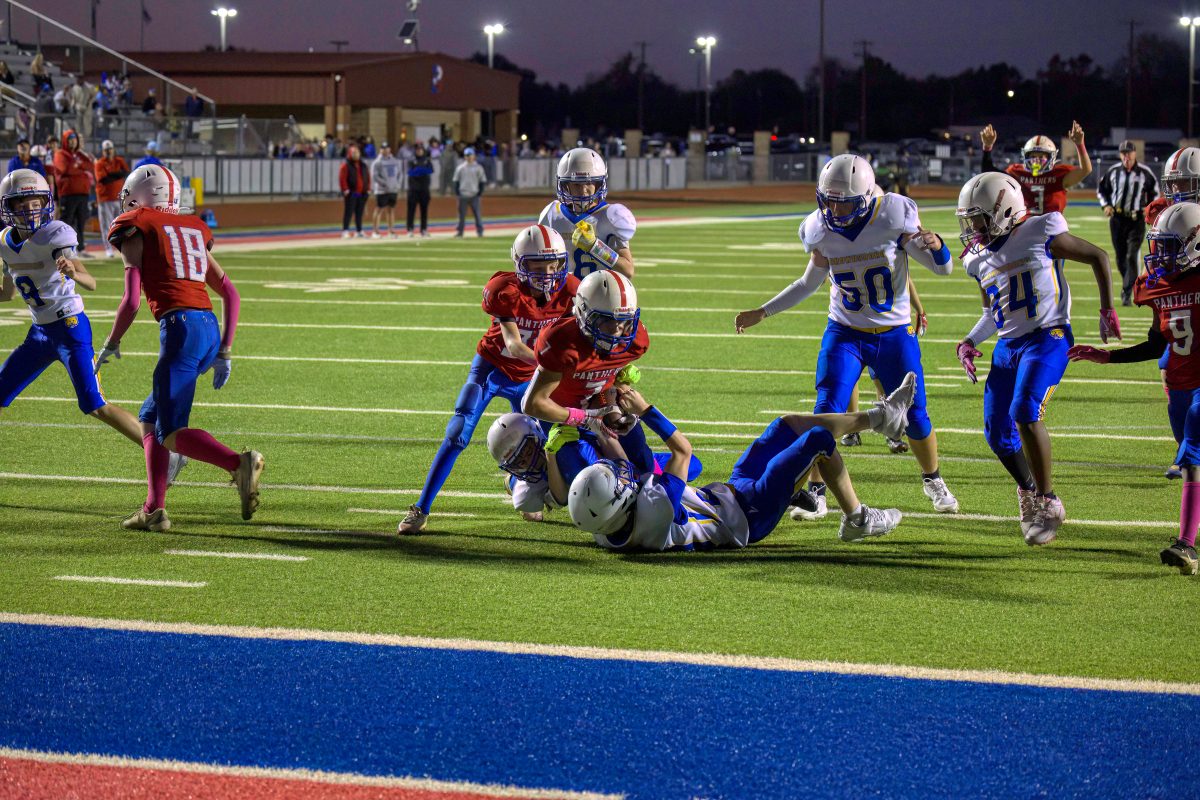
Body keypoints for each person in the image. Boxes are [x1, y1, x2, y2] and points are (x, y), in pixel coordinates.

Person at [734, 153, 959, 519]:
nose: (835, 211)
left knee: (915, 415)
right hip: (844, 333)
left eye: (845, 203)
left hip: (894, 333)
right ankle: (816, 492)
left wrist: (939, 246)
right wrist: (763, 311)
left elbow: (943, 269)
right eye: (829, 201)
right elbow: (808, 283)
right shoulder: (818, 228)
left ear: (867, 197)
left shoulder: (893, 215)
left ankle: (933, 478)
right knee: (825, 413)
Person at [95, 164, 262, 531]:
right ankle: (154, 509)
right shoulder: (191, 227)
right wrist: (225, 350)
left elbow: (131, 302)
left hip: (180, 329)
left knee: (170, 432)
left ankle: (238, 463)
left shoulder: (136, 225)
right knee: (150, 417)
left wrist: (111, 342)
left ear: (138, 195)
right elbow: (231, 293)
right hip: (208, 329)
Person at [955, 172, 1119, 545]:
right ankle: (1028, 491)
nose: (973, 229)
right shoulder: (976, 259)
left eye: (979, 219)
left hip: (1048, 336)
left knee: (1026, 411)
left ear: (1004, 210)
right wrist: (969, 340)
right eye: (970, 221)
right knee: (997, 432)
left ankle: (1049, 501)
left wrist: (1107, 308)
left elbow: (1097, 255)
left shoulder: (1040, 230)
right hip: (1008, 346)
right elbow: (992, 314)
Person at [566, 376, 915, 551]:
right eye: (618, 482)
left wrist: (598, 418)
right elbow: (682, 451)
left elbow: (627, 463)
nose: (621, 475)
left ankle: (881, 418)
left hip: (730, 493)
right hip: (750, 515)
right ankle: (858, 519)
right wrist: (644, 411)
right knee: (817, 440)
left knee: (785, 426)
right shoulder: (654, 510)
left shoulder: (606, 524)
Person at [0, 169, 184, 483]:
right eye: (22, 204)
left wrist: (74, 272)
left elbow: (91, 282)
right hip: (39, 333)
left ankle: (168, 453)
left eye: (35, 203)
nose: (30, 210)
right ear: (9, 207)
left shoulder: (54, 234)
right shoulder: (5, 242)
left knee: (94, 405)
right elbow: (7, 293)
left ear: (45, 203)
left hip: (69, 329)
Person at [398, 225, 580, 534]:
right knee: (457, 432)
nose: (548, 274)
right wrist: (551, 365)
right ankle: (421, 508)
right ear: (520, 264)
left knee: (553, 440)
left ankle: (520, 485)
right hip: (493, 368)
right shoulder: (504, 290)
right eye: (538, 266)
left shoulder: (570, 291)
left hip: (531, 378)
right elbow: (513, 345)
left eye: (553, 265)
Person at [1069, 202, 1200, 574]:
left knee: (1192, 452)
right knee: (1192, 462)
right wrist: (1107, 357)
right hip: (1179, 386)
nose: (1160, 255)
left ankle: (1186, 546)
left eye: (1170, 247)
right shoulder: (1156, 285)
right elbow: (1157, 345)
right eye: (1158, 246)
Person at [522, 269, 658, 488]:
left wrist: (619, 387)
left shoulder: (635, 340)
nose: (617, 331)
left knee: (644, 465)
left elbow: (606, 370)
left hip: (602, 403)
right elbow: (532, 403)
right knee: (581, 481)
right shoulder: (562, 342)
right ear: (583, 313)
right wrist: (584, 418)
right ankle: (523, 479)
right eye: (607, 321)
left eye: (624, 321)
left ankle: (653, 462)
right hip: (561, 415)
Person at [537, 147, 636, 280]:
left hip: (601, 291)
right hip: (565, 292)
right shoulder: (551, 214)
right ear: (565, 185)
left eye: (589, 183)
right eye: (576, 184)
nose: (583, 190)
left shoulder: (611, 216)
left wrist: (595, 247)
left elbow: (627, 270)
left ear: (599, 184)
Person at [979, 122, 1092, 215]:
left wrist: (1080, 145)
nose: (1036, 160)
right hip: (1026, 225)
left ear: (1051, 157)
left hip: (1052, 226)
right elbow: (988, 174)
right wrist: (987, 148)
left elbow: (1085, 170)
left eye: (1041, 156)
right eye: (1033, 156)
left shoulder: (1058, 174)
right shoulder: (1017, 172)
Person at [1098, 140, 1160, 306]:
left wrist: (1150, 209)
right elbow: (1102, 190)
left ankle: (1126, 292)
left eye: (1129, 152)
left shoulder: (1144, 172)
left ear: (1134, 154)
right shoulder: (1113, 171)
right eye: (1123, 153)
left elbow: (1155, 192)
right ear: (1120, 155)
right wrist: (1106, 205)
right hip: (1117, 219)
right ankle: (1130, 284)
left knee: (1132, 255)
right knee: (1120, 258)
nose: (1126, 156)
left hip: (1136, 220)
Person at [52, 130, 94, 257]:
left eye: (74, 139)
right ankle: (62, 248)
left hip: (83, 193)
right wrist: (81, 170)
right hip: (68, 193)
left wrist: (77, 167)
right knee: (66, 222)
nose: (73, 141)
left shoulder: (80, 154)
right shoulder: (60, 154)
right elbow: (65, 169)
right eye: (70, 139)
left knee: (81, 222)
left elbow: (90, 166)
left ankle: (80, 249)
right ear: (65, 141)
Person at [93, 140, 130, 259]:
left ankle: (121, 247)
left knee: (121, 225)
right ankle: (108, 249)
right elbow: (104, 180)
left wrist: (111, 174)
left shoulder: (119, 160)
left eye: (110, 149)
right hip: (105, 198)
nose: (108, 151)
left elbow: (126, 172)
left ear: (113, 149)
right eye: (106, 150)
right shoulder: (100, 163)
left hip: (119, 197)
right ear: (103, 151)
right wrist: (118, 174)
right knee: (107, 225)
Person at [369, 142, 402, 238]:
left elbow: (400, 174)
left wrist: (397, 184)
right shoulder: (377, 162)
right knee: (379, 209)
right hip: (382, 190)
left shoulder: (395, 161)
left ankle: (391, 231)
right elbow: (375, 176)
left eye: (387, 148)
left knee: (391, 209)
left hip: (393, 189)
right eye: (383, 148)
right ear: (380, 150)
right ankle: (375, 231)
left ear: (389, 149)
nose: (385, 150)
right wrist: (385, 184)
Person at [452, 147, 487, 237]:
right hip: (463, 194)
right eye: (467, 155)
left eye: (470, 155)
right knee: (461, 215)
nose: (469, 157)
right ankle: (460, 231)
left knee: (477, 214)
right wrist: (458, 193)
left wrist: (479, 193)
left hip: (474, 194)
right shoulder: (460, 168)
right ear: (465, 156)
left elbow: (482, 181)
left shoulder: (478, 168)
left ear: (474, 156)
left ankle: (480, 231)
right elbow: (456, 181)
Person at [338, 145, 370, 239]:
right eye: (354, 153)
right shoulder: (346, 165)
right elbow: (342, 178)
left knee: (359, 212)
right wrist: (345, 190)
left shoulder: (363, 165)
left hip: (361, 193)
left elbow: (368, 177)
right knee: (349, 211)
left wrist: (368, 189)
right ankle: (345, 230)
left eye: (357, 153)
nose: (356, 155)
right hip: (352, 192)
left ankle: (359, 230)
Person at [405, 142, 433, 237]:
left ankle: (423, 229)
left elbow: (430, 170)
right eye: (418, 149)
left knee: (424, 210)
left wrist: (418, 170)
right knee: (411, 210)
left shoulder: (427, 160)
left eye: (421, 149)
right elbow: (411, 172)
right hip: (413, 189)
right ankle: (410, 229)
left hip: (424, 189)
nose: (419, 151)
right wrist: (422, 170)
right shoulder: (411, 160)